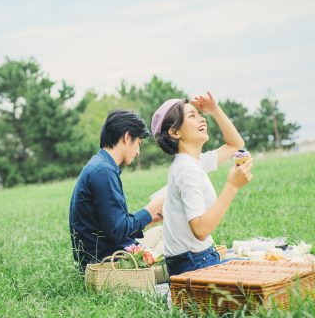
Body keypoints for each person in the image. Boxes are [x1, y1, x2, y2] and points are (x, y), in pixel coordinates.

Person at [151, 92, 253, 276]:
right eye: (192, 115)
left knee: (254, 264)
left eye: (199, 114)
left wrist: (215, 111)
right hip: (194, 265)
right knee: (259, 271)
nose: (201, 119)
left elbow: (236, 144)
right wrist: (232, 186)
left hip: (195, 260)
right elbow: (200, 229)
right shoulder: (187, 169)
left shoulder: (192, 161)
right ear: (174, 132)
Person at [69, 110, 165, 271]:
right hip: (107, 263)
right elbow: (117, 230)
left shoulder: (100, 165)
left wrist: (151, 218)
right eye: (139, 143)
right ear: (127, 137)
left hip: (106, 253)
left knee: (162, 233)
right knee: (177, 250)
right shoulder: (103, 172)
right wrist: (155, 206)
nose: (138, 152)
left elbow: (112, 224)